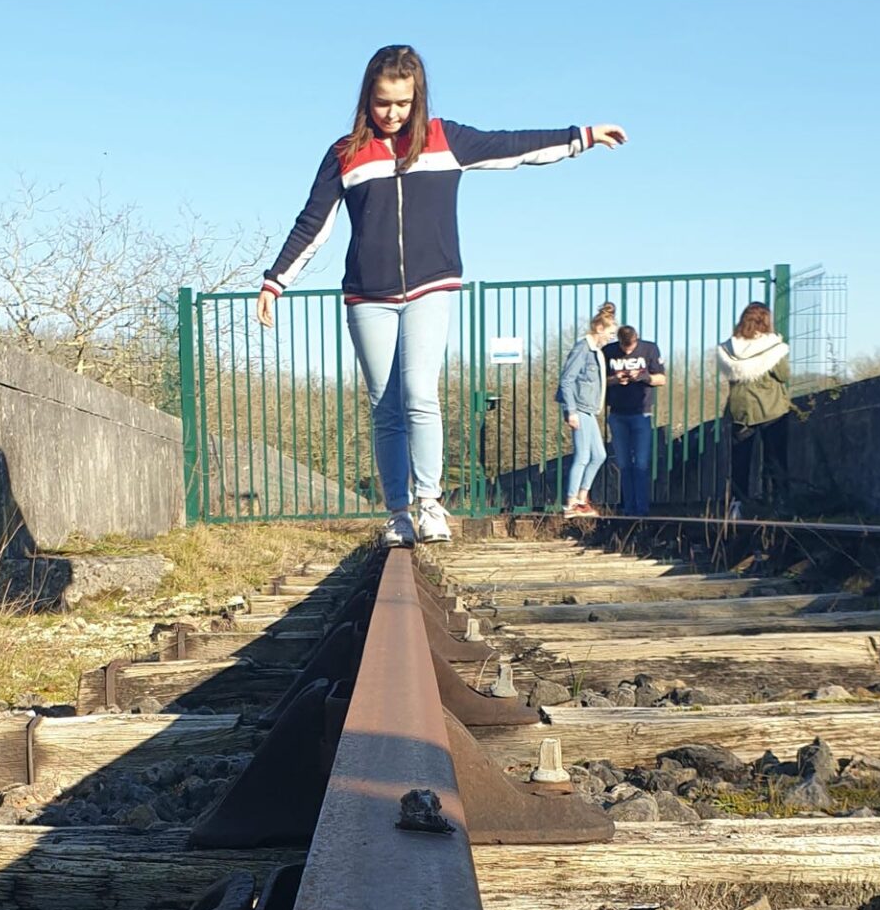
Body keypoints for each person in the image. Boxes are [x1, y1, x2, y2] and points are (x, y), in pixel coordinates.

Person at [257, 46, 625, 544]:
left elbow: (511, 145)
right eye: (383, 102)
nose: (392, 114)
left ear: (418, 99)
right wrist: (276, 280)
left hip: (431, 287)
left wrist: (579, 137)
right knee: (385, 406)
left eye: (403, 104)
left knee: (419, 394)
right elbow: (313, 222)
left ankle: (430, 503)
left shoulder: (442, 140)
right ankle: (398, 513)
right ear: (367, 97)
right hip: (367, 297)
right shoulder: (345, 153)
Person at [716, 300, 791, 515]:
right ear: (765, 321)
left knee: (740, 460)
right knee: (775, 458)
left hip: (741, 409)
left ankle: (737, 505)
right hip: (771, 408)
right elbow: (784, 375)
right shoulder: (772, 347)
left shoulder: (729, 348)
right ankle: (779, 502)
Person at [602, 318, 665, 516]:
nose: (627, 351)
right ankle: (628, 507)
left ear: (636, 339)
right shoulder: (608, 351)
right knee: (624, 464)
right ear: (619, 341)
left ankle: (642, 508)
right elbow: (599, 381)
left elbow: (661, 379)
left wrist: (643, 377)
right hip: (618, 414)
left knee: (641, 463)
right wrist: (614, 379)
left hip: (642, 412)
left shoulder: (649, 349)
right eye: (624, 346)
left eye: (631, 346)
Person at [555, 309, 611, 518]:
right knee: (583, 456)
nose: (610, 337)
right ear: (599, 328)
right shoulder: (583, 349)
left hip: (588, 409)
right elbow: (567, 379)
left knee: (599, 455)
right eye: (609, 333)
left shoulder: (596, 351)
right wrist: (571, 411)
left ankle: (581, 498)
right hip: (579, 408)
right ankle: (571, 503)